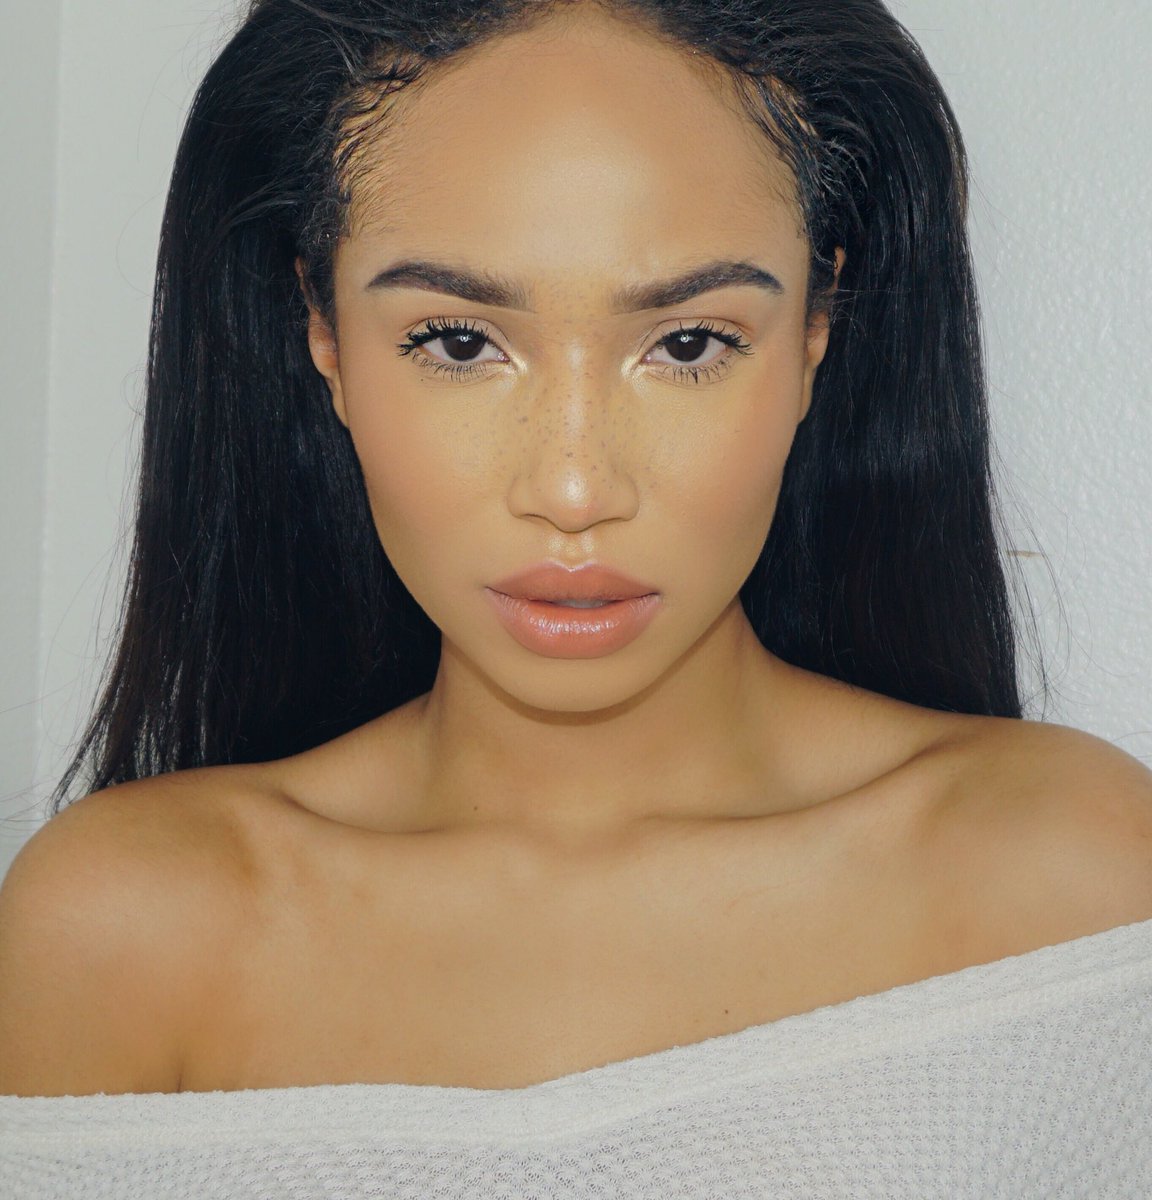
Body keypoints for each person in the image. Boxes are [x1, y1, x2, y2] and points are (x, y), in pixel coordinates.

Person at [1, 0, 1150, 1194]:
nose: (573, 487)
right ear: (323, 334)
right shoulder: (124, 933)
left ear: (816, 331)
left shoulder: (1070, 884)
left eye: (689, 344)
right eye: (458, 343)